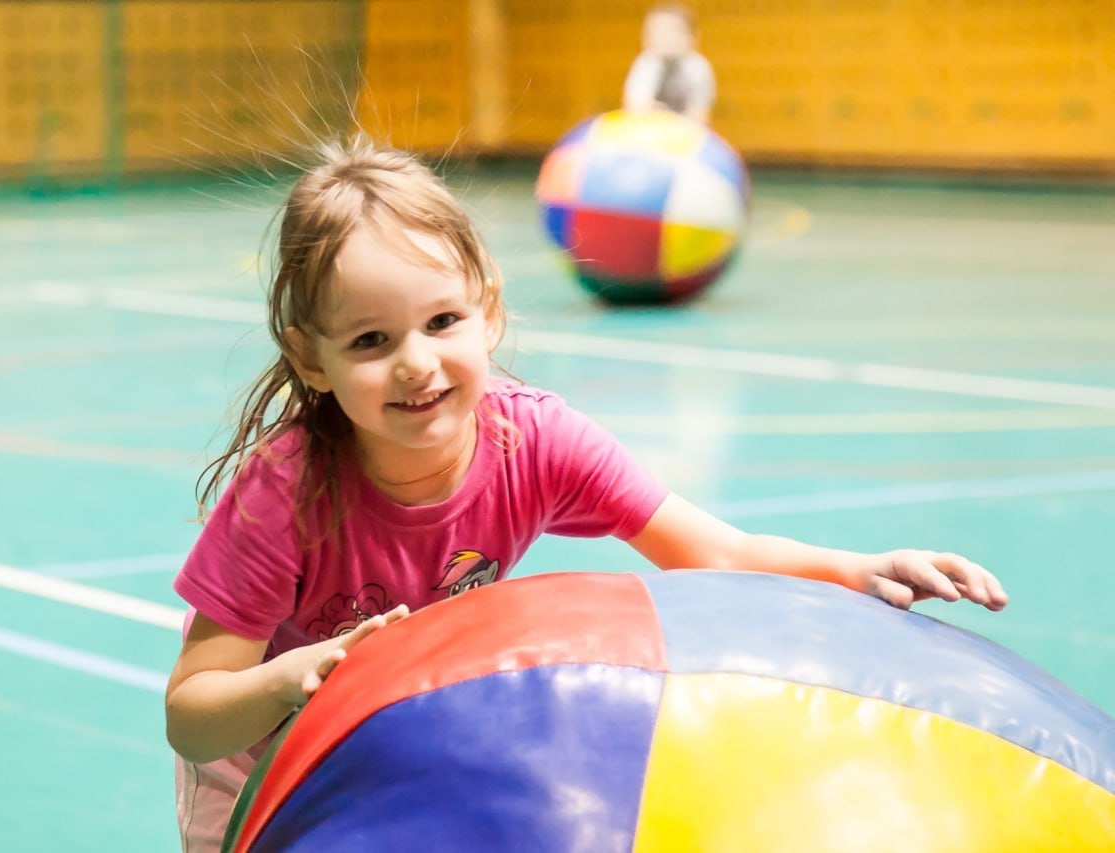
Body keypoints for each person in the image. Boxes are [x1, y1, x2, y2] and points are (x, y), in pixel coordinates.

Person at [164, 135, 1008, 851]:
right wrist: (294, 679)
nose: (417, 362)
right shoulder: (289, 492)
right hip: (272, 765)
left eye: (442, 322)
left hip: (404, 733)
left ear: (487, 308)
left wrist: (861, 570)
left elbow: (714, 554)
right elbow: (193, 713)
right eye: (371, 340)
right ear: (312, 359)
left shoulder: (533, 441)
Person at [622, 3, 716, 123]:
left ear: (692, 38)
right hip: (649, 131)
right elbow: (635, 109)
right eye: (655, 32)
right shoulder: (646, 63)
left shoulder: (698, 69)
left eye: (671, 31)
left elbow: (699, 118)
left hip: (684, 134)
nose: (663, 38)